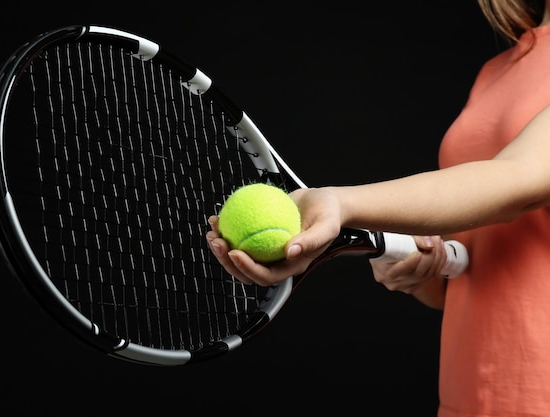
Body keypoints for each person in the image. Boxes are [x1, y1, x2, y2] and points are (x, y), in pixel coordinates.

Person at [206, 0, 550, 416]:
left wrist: (341, 203)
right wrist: (422, 270)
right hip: (469, 396)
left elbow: (517, 182)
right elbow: (473, 275)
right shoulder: (499, 70)